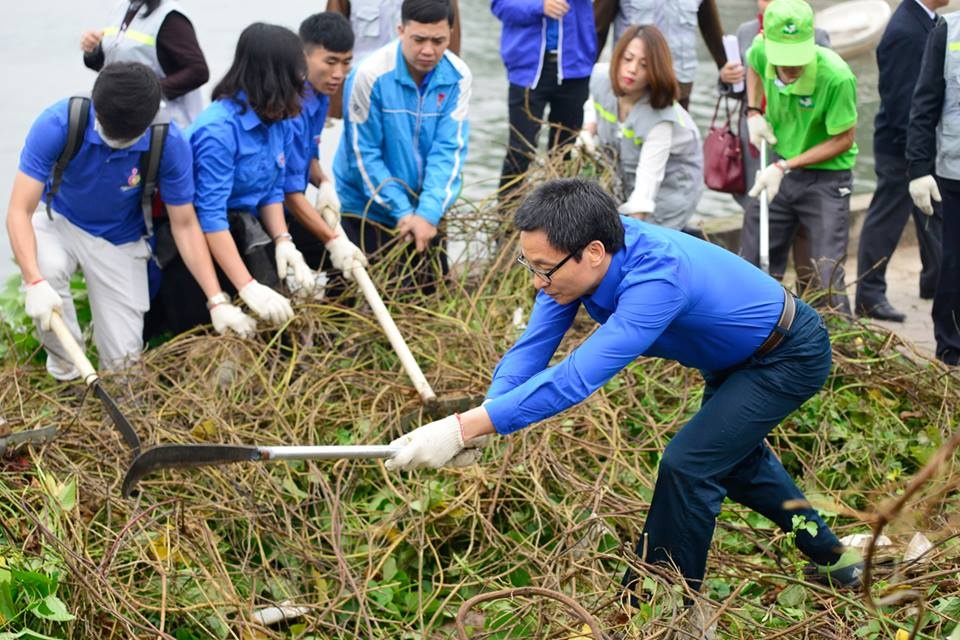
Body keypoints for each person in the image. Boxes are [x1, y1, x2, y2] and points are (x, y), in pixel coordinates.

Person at [383, 178, 863, 607]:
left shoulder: (657, 277)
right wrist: (487, 416)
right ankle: (834, 559)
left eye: (544, 269)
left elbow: (575, 378)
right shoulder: (571, 271)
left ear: (592, 252)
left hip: (786, 354)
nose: (536, 281)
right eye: (529, 265)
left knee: (689, 465)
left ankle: (661, 603)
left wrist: (461, 425)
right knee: (736, 464)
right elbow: (532, 348)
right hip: (731, 360)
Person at [6, 62, 255, 380]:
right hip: (59, 223)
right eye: (107, 129)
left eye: (124, 137)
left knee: (125, 371)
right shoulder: (60, 122)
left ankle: (112, 379)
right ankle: (68, 372)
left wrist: (216, 299)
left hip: (119, 240)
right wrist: (34, 281)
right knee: (48, 269)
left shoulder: (168, 142)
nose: (113, 140)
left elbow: (185, 224)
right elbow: (19, 210)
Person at [150, 23, 311, 337]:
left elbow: (271, 190)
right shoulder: (218, 131)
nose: (301, 85)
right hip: (197, 241)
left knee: (271, 331)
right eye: (295, 78)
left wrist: (283, 241)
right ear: (273, 79)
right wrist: (245, 287)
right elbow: (210, 215)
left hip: (243, 231)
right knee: (207, 339)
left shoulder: (279, 118)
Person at [334, 0, 470, 287]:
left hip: (424, 206)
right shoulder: (367, 75)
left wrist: (427, 213)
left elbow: (449, 152)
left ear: (450, 34)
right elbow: (363, 155)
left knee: (428, 292)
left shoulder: (457, 76)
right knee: (357, 293)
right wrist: (403, 211)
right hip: (366, 205)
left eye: (438, 41)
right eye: (418, 39)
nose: (428, 50)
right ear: (401, 31)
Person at [743, 0, 858, 313]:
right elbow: (752, 64)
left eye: (798, 59)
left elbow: (844, 140)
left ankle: (840, 343)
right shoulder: (760, 49)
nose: (791, 68)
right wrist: (754, 110)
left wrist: (785, 165)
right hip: (780, 166)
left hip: (826, 178)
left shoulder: (836, 77)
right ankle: (755, 331)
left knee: (826, 274)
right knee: (751, 260)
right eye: (784, 59)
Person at [718, 0, 831, 291]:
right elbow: (743, 85)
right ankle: (763, 296)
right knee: (760, 216)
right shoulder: (746, 33)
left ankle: (811, 295)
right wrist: (728, 80)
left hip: (798, 142)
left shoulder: (815, 37)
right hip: (757, 138)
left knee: (803, 225)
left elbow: (825, 89)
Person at [855, 0, 946, 323]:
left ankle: (935, 282)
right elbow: (901, 100)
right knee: (887, 219)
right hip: (901, 147)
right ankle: (868, 293)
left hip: (921, 145)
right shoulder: (906, 30)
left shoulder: (928, 20)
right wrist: (916, 159)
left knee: (932, 215)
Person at [580, 25, 702, 230]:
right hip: (628, 173)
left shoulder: (660, 118)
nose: (632, 69)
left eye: (644, 65)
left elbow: (648, 178)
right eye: (628, 59)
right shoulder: (601, 77)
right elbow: (594, 102)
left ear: (655, 72)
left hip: (671, 187)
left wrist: (633, 228)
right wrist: (588, 130)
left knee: (652, 242)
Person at [283, 12, 366, 280]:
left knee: (354, 254)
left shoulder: (320, 96)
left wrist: (324, 183)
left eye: (346, 63)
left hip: (288, 197)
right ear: (303, 56)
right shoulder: (290, 105)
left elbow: (308, 155)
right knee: (337, 253)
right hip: (267, 205)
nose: (338, 74)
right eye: (330, 62)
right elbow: (289, 191)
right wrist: (332, 240)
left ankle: (338, 319)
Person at [492, 0, 596, 197]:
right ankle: (505, 216)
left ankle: (561, 217)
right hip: (527, 68)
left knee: (564, 150)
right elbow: (501, 7)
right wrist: (540, 6)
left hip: (574, 67)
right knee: (520, 150)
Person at [906, 9, 960, 366]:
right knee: (953, 264)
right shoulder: (947, 29)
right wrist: (918, 169)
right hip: (954, 173)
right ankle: (951, 347)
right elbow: (924, 102)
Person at [81, 0, 209, 130]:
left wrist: (146, 92)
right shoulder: (121, 7)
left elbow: (198, 71)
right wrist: (92, 51)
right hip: (122, 116)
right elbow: (114, 63)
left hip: (162, 124)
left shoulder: (170, 17)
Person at [324, 0, 461, 119]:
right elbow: (332, 43)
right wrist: (332, 109)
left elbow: (447, 50)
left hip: (413, 95)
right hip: (360, 93)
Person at [594, 0, 726, 110]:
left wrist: (725, 66)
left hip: (678, 84)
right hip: (633, 83)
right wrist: (583, 80)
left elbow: (711, 29)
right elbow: (597, 29)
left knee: (675, 137)